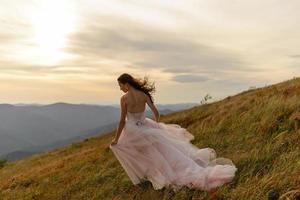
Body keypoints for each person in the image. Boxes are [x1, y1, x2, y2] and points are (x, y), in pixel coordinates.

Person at [109, 73, 237, 192]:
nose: (120, 88)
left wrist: (116, 139)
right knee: (162, 153)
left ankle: (155, 176)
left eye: (120, 85)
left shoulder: (124, 99)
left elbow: (122, 121)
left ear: (126, 84)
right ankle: (163, 173)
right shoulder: (143, 94)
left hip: (133, 129)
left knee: (143, 154)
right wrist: (153, 126)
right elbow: (156, 113)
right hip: (147, 126)